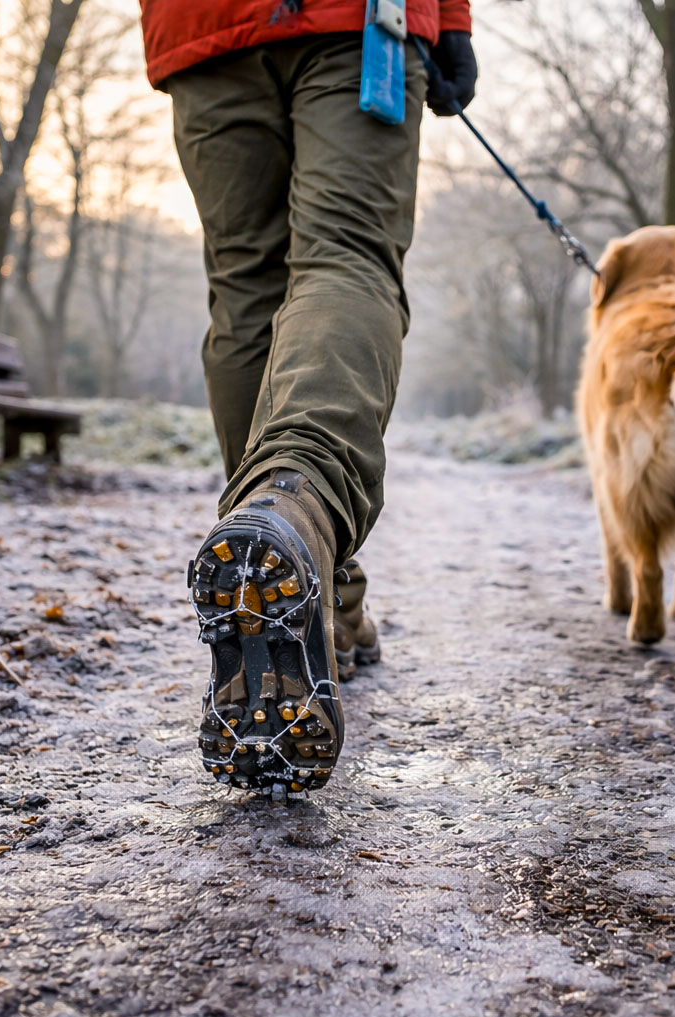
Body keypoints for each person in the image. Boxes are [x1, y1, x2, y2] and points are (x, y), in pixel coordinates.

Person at [138, 0, 477, 800]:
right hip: (356, 22)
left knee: (247, 294)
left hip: (201, 29)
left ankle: (323, 594)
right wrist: (453, 18)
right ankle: (299, 505)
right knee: (346, 259)